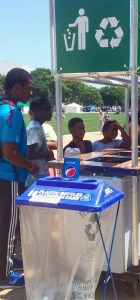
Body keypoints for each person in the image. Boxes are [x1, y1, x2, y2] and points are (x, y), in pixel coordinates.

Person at [0, 68, 39, 288]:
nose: (30, 93)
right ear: (17, 87)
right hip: (10, 177)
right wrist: (30, 165)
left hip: (3, 176)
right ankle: (4, 274)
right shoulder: (12, 113)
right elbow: (10, 152)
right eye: (29, 88)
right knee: (8, 224)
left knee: (5, 224)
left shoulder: (1, 109)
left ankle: (5, 262)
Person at [26, 97, 55, 187]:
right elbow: (29, 154)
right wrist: (46, 154)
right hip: (35, 179)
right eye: (47, 109)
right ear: (37, 111)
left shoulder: (38, 126)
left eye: (51, 109)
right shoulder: (35, 128)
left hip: (38, 177)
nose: (50, 111)